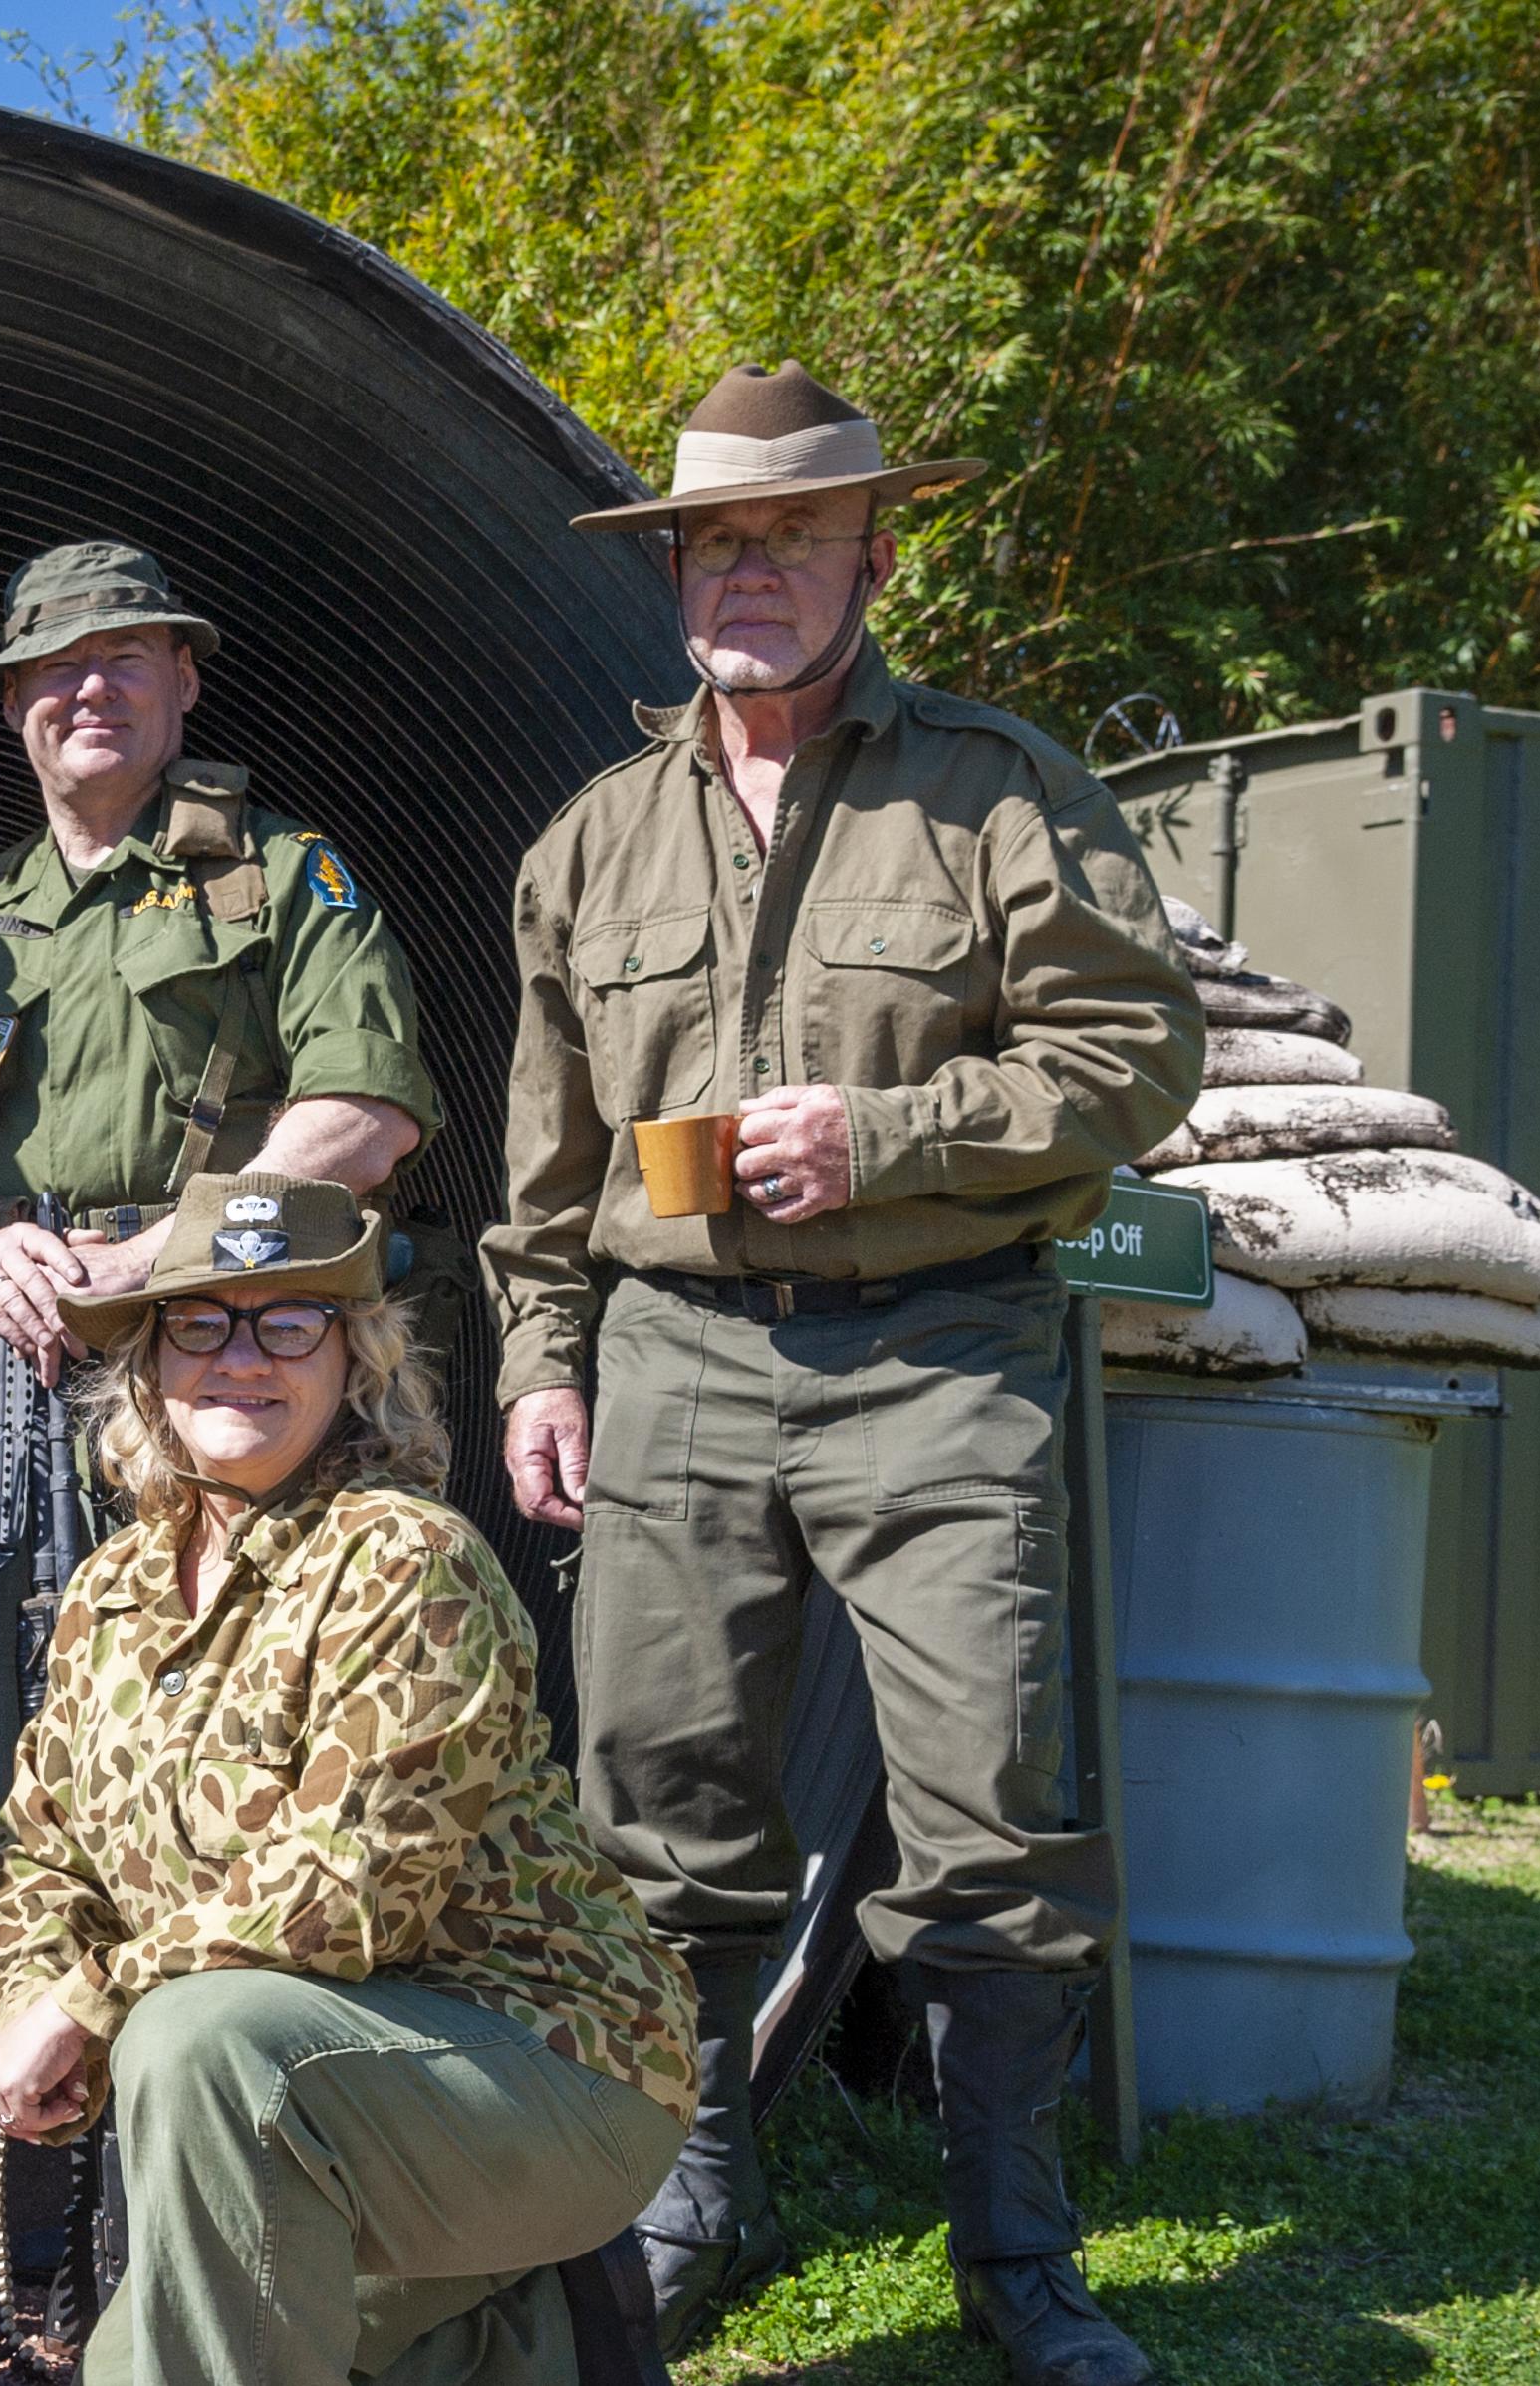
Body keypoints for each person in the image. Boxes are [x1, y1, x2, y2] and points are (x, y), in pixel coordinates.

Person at [493, 362, 1204, 2385]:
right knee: (659, 1816)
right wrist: (546, 1361)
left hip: (942, 1355)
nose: (751, 573)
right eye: (718, 539)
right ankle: (689, 2187)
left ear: (871, 556)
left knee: (993, 1817)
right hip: (678, 1364)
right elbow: (540, 1167)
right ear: (673, 576)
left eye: (793, 537)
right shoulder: (587, 846)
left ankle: (1018, 2256)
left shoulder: (993, 788)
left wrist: (884, 1139)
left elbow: (1132, 1056)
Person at [0, 1171, 699, 2386]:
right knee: (133, 2362)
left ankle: (500, 2282)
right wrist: (34, 1986)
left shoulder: (410, 1559)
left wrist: (95, 2003)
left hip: (545, 2065)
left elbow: (354, 1887)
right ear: (150, 1361)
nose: (241, 1357)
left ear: (351, 1358)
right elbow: (37, 1850)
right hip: (298, 2098)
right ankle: (510, 2335)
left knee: (196, 2042)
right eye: (202, 1321)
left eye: (288, 1322)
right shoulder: (109, 1595)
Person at [0, 541, 440, 1790]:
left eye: (124, 658)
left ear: (183, 682)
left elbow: (369, 1109)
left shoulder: (282, 876)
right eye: (54, 669)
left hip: (236, 1365)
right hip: (29, 1379)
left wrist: (158, 1260)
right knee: (35, 1708)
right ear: (12, 706)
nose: (90, 690)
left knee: (250, 1701)